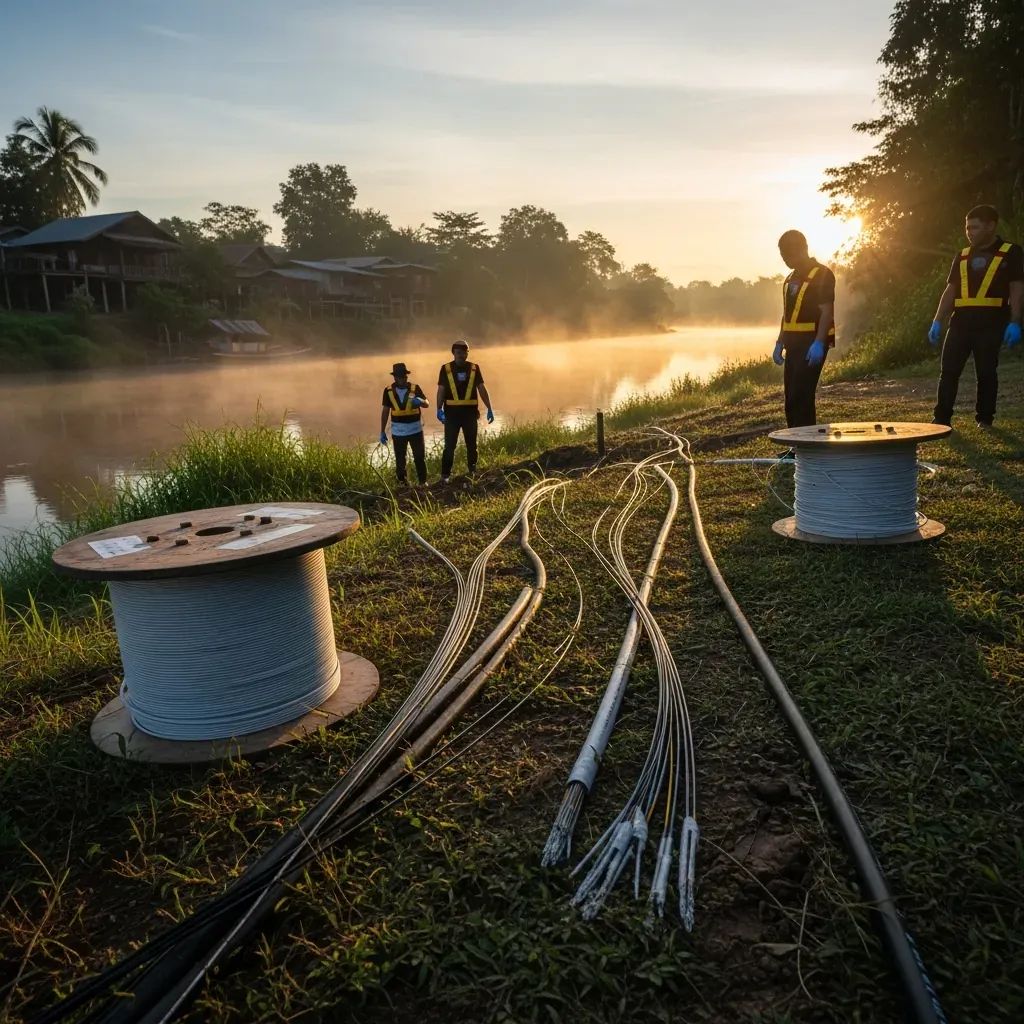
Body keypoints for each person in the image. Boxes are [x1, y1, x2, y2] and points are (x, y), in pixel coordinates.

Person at [927, 204, 1023, 429]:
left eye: (975, 227)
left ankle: (985, 419)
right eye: (967, 228)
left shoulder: (1011, 252)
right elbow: (950, 290)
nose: (969, 232)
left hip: (992, 323)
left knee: (986, 372)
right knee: (948, 371)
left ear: (991, 226)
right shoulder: (962, 255)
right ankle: (941, 419)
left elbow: (1017, 288)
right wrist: (937, 320)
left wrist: (1015, 321)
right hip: (960, 323)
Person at [772, 230, 836, 428]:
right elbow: (787, 315)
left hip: (811, 344)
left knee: (802, 395)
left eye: (788, 254)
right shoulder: (790, 278)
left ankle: (806, 448)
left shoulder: (822, 274)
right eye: (783, 255)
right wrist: (780, 342)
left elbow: (827, 312)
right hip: (793, 344)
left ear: (803, 249)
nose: (785, 259)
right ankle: (795, 446)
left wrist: (818, 343)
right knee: (791, 397)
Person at [435, 340, 494, 483]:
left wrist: (489, 408)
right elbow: (441, 390)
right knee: (449, 446)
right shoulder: (446, 369)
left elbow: (481, 388)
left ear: (468, 353)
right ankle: (445, 476)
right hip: (451, 415)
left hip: (470, 414)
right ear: (453, 353)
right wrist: (438, 408)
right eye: (459, 352)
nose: (462, 355)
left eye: (464, 352)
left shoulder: (474, 368)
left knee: (471, 444)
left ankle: (472, 470)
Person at [379, 362, 429, 486]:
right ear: (395, 377)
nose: (403, 379)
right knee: (400, 461)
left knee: (419, 458)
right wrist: (382, 431)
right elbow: (385, 412)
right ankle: (403, 485)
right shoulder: (388, 391)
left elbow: (427, 403)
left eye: (404, 376)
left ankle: (423, 483)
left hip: (416, 430)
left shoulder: (415, 388)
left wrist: (421, 401)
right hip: (398, 432)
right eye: (400, 376)